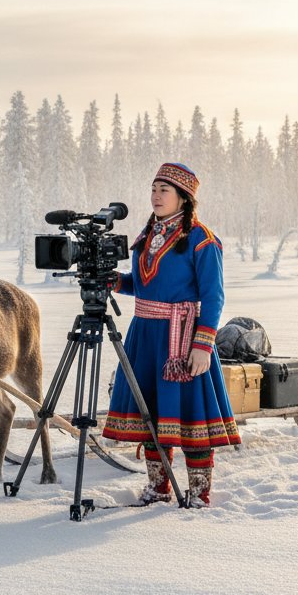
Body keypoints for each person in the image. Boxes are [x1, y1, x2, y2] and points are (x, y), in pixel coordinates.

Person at [102, 161, 240, 506]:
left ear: (184, 197)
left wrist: (203, 344)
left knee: (192, 416)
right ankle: (158, 487)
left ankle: (199, 492)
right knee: (150, 413)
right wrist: (117, 282)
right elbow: (146, 285)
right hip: (145, 337)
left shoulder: (201, 240)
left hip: (183, 336)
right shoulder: (147, 236)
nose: (156, 196)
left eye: (164, 190)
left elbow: (213, 296)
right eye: (153, 189)